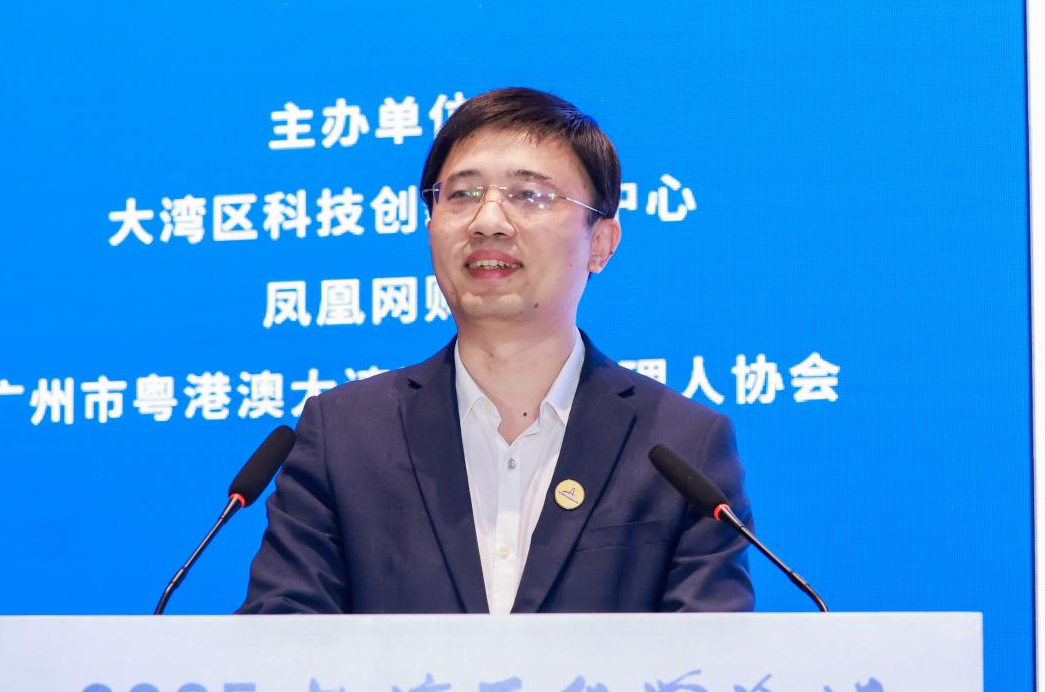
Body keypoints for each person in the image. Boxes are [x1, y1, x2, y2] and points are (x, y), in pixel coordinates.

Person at [238, 88, 753, 615]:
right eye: (462, 194)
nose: (488, 221)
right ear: (430, 226)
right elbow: (280, 635)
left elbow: (710, 657)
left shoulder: (681, 446)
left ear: (600, 243)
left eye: (529, 195)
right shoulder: (343, 435)